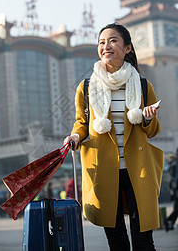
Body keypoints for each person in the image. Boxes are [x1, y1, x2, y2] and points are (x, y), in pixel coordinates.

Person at [64, 23, 163, 251]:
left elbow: (153, 130)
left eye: (112, 40)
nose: (105, 46)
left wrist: (147, 118)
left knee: (143, 243)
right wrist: (75, 137)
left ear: (127, 48)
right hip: (103, 170)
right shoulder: (87, 87)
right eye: (101, 42)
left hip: (138, 169)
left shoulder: (142, 85)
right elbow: (82, 123)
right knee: (117, 242)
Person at [164, 149, 178, 231]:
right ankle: (168, 220)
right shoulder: (174, 165)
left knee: (176, 207)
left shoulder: (172, 165)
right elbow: (174, 179)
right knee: (176, 208)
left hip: (174, 189)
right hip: (176, 188)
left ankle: (170, 223)